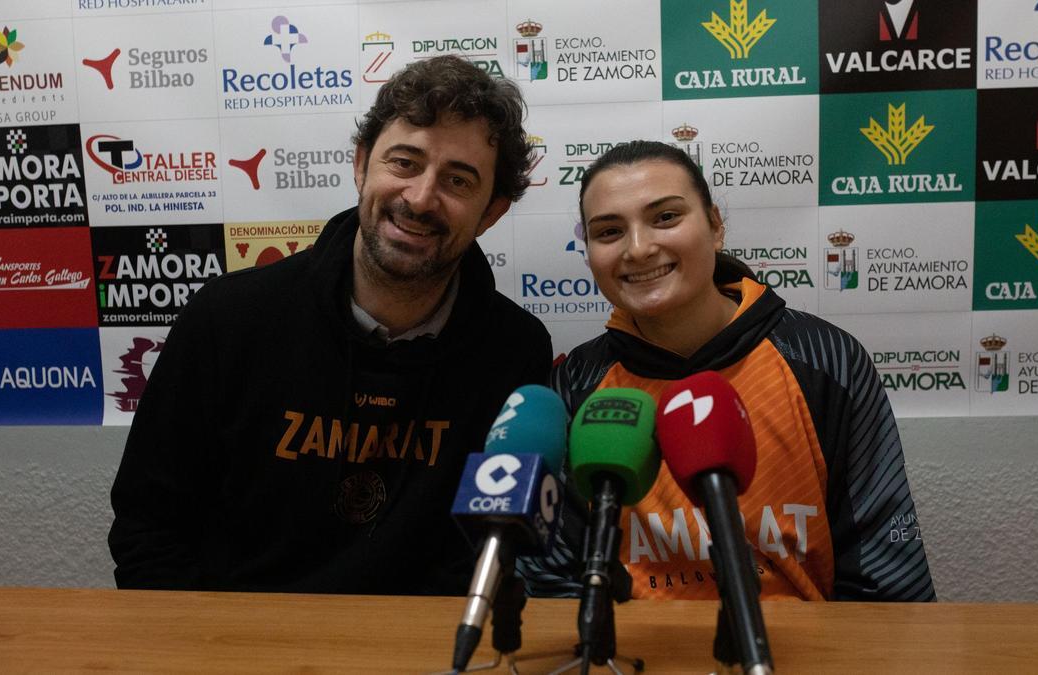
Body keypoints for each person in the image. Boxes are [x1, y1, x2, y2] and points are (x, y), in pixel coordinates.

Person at [108, 56, 553, 595]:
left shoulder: (515, 351)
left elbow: (489, 555)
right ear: (362, 164)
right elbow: (149, 529)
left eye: (458, 180)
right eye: (405, 163)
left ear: (491, 212)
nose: (420, 197)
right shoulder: (227, 319)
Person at [520, 141, 934, 601]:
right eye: (609, 231)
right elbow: (550, 584)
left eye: (665, 218)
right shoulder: (574, 387)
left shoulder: (827, 361)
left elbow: (887, 581)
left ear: (715, 227)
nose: (638, 249)